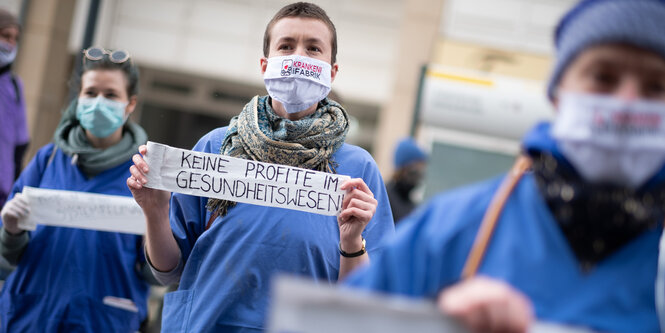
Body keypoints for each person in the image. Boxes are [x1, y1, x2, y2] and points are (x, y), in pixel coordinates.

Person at [345, 0, 665, 332]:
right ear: (557, 92)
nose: (627, 104)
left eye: (656, 86)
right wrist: (429, 321)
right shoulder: (452, 230)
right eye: (603, 77)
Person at [127, 2, 394, 332]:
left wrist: (353, 245)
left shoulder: (358, 171)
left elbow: (368, 302)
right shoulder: (216, 147)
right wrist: (155, 212)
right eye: (286, 46)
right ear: (265, 65)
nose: (299, 57)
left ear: (332, 71)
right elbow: (167, 270)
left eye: (313, 48)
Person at [0, 47, 153, 332]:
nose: (98, 102)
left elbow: (159, 274)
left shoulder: (144, 173)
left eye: (111, 95)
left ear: (130, 104)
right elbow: (5, 257)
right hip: (31, 316)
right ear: (78, 98)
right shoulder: (47, 161)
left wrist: (155, 232)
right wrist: (10, 229)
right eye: (91, 93)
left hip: (103, 320)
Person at [0, 9, 28, 209]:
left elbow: (21, 145)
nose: (10, 43)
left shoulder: (15, 86)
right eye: (5, 36)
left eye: (14, 38)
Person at [386, 137, 427, 223]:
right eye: (417, 167)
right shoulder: (385, 197)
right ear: (403, 168)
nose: (420, 173)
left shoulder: (412, 206)